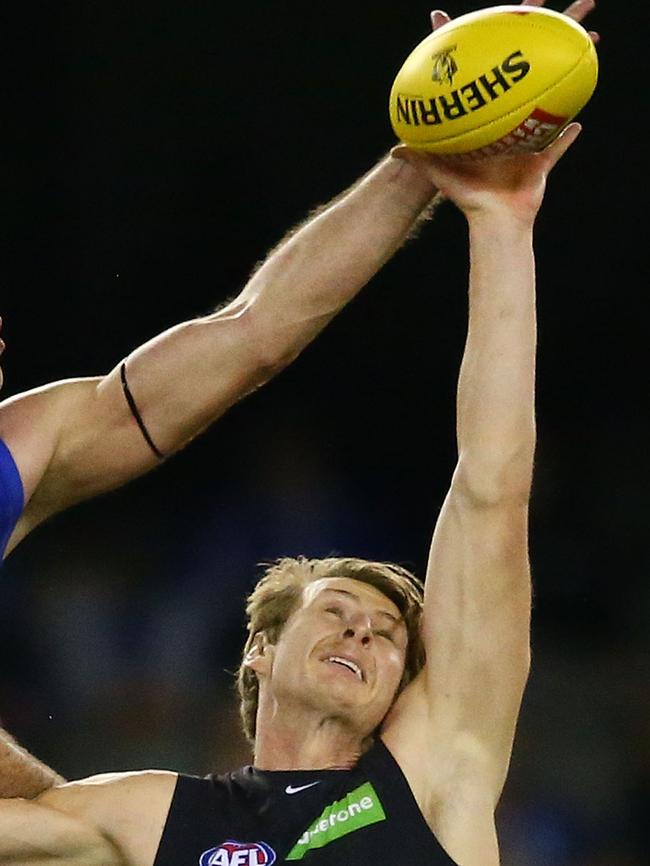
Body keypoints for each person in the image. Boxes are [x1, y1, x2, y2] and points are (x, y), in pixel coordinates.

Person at [0, 1, 599, 864]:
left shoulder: (433, 775)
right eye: (341, 615)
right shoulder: (149, 817)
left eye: (388, 637)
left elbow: (490, 484)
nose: (363, 634)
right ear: (257, 651)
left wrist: (500, 226)